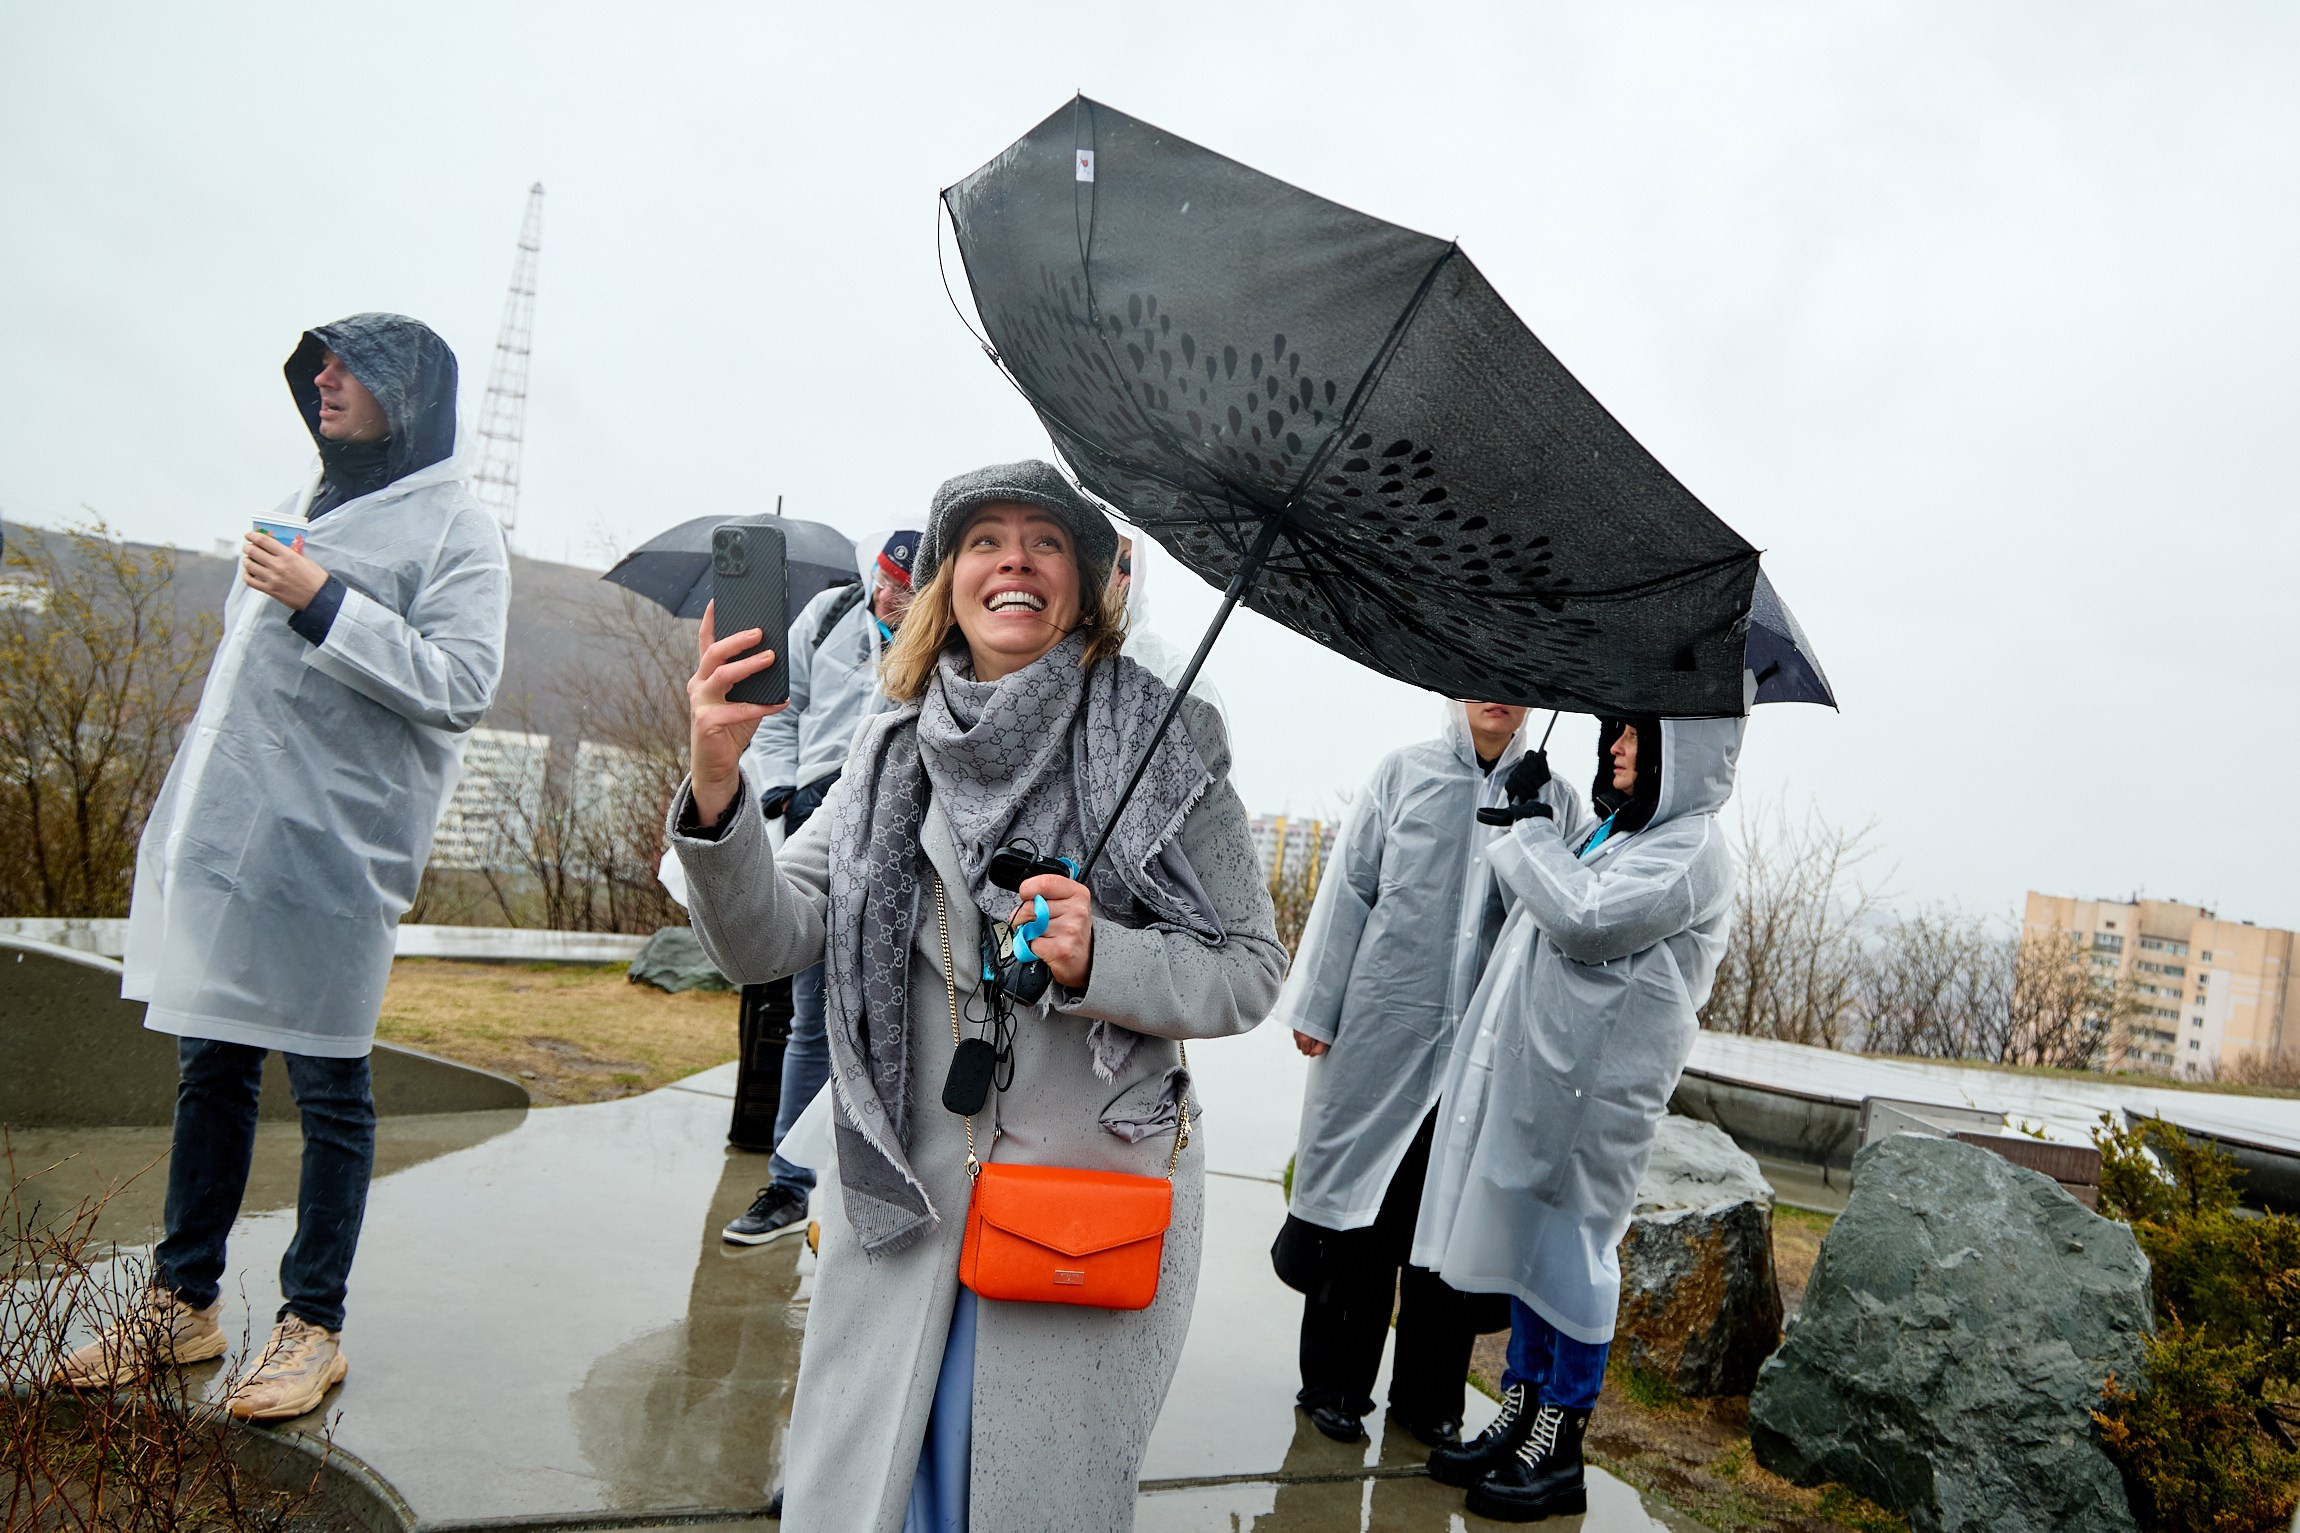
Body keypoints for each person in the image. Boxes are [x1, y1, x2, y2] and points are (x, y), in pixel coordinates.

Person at [668, 459, 1285, 1531]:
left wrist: (1104, 960)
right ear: (948, 577)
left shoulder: (1162, 743)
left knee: (1010, 1499)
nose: (1014, 561)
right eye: (986, 539)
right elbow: (772, 938)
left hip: (1074, 1209)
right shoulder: (888, 744)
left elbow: (1247, 969)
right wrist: (718, 781)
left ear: (1086, 581)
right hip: (902, 1194)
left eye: (1044, 541)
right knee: (876, 1497)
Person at [57, 315, 508, 1421]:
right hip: (231, 844)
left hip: (328, 855)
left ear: (409, 391)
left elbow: (461, 682)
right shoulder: (313, 502)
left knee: (328, 1085)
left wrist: (323, 599)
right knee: (209, 1071)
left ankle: (315, 1323)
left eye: (347, 365)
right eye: (316, 365)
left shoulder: (458, 529)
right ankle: (183, 1302)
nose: (322, 379)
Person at [1416, 715, 1743, 1522]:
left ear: (1686, 753)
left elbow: (1586, 919)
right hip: (1554, 1082)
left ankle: (1559, 1445)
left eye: (1638, 736)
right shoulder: (1623, 832)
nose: (1617, 748)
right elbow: (1561, 889)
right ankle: (1524, 1411)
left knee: (1577, 1251)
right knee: (1535, 1243)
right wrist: (1538, 816)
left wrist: (1528, 831)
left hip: (1602, 1096)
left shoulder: (1693, 849)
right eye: (1616, 733)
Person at [1270, 700, 1565, 1448]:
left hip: (1483, 1053)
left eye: (1513, 677)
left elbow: (1558, 924)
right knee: (1366, 1217)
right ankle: (1334, 1382)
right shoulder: (1404, 773)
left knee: (1452, 1230)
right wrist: (1319, 1006)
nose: (1494, 692)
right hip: (1383, 1032)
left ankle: (1431, 1397)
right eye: (1478, 673)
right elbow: (1350, 890)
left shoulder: (1550, 797)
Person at [720, 528, 920, 1245]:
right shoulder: (829, 614)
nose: (890, 594)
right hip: (810, 809)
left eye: (908, 584)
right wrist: (777, 794)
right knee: (809, 1017)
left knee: (884, 1021)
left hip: (887, 820)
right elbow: (783, 710)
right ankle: (786, 1184)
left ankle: (863, 1194)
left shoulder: (932, 639)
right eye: (886, 578)